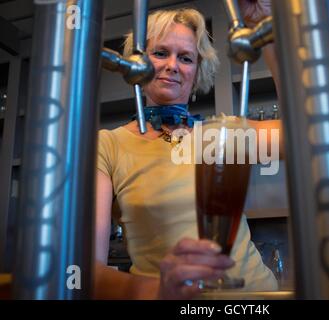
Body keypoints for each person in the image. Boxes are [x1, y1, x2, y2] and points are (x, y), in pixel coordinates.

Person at [95, 0, 281, 300]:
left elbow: (314, 133)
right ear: (137, 65)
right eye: (159, 53)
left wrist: (268, 31)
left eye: (185, 58)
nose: (172, 65)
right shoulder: (108, 144)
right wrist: (157, 291)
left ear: (197, 71)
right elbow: (87, 274)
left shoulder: (223, 134)